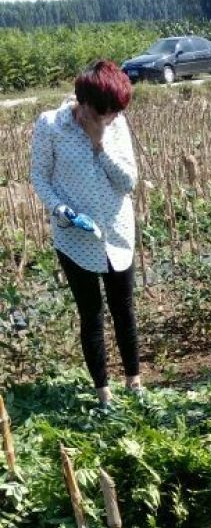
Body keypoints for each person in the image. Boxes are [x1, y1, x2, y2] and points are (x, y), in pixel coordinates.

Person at [30, 60, 141, 408]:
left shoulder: (117, 126)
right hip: (74, 237)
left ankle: (135, 384)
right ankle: (103, 394)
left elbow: (128, 183)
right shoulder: (51, 125)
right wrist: (60, 210)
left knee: (124, 310)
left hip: (118, 232)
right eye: (105, 112)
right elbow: (40, 178)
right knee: (90, 313)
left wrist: (100, 145)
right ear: (85, 102)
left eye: (115, 112)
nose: (110, 118)